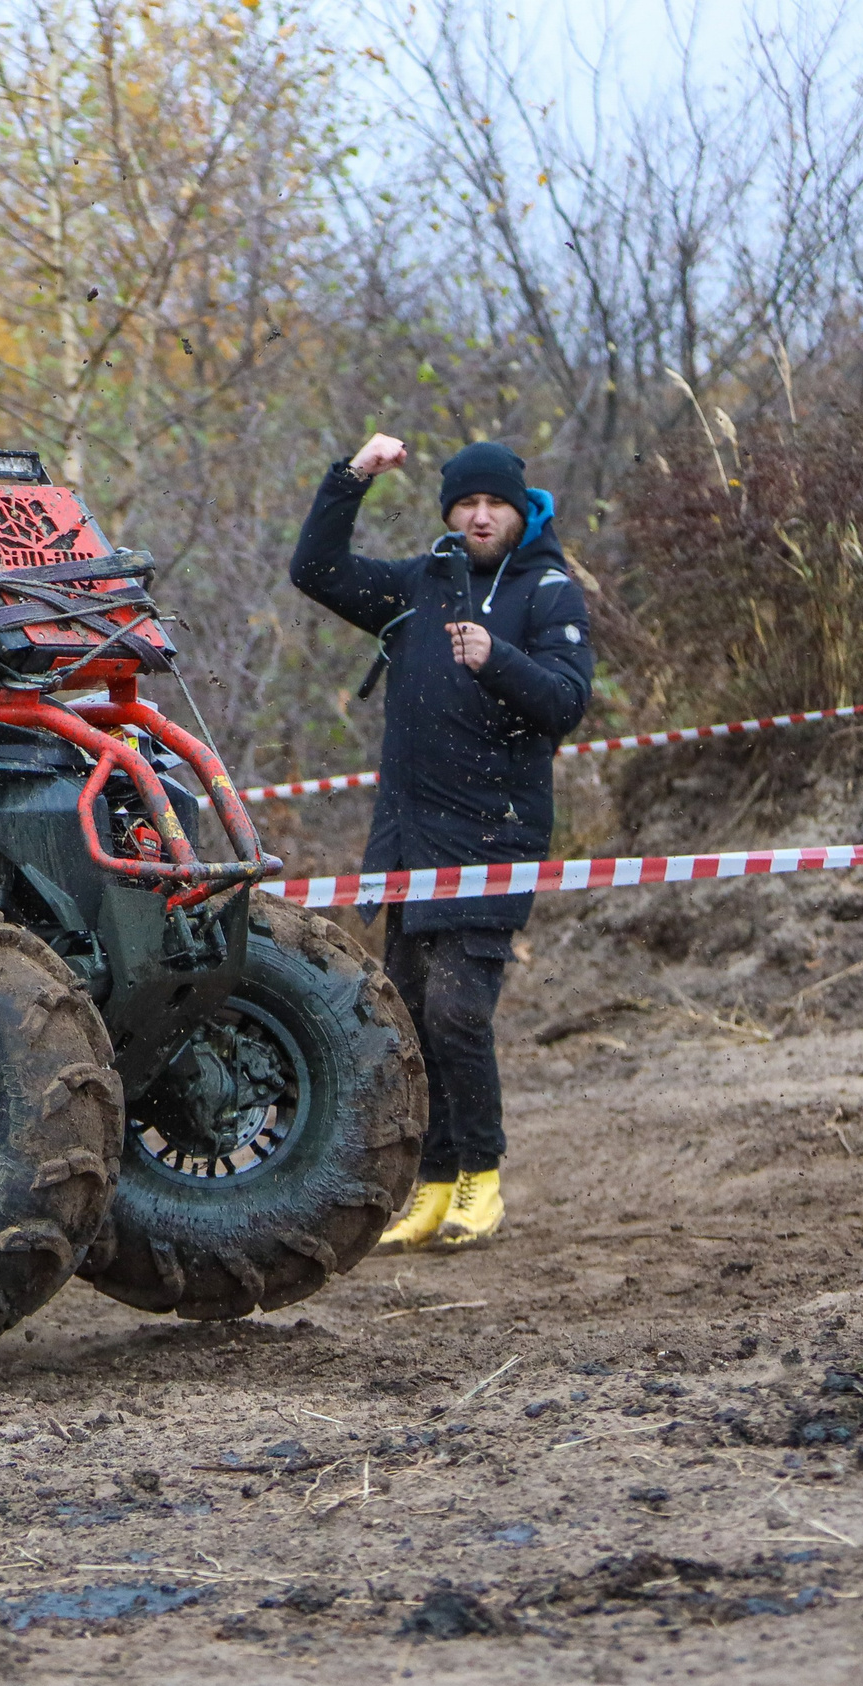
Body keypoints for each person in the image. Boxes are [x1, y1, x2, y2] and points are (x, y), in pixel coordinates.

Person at [289, 436, 594, 1250]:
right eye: (467, 504)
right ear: (450, 511)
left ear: (522, 512)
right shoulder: (419, 583)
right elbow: (314, 569)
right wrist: (352, 476)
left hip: (494, 837)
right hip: (408, 843)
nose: (480, 516)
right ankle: (431, 1184)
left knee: (459, 1011)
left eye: (495, 504)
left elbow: (566, 702)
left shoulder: (549, 591)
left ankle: (481, 1179)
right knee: (413, 1019)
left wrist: (498, 659)